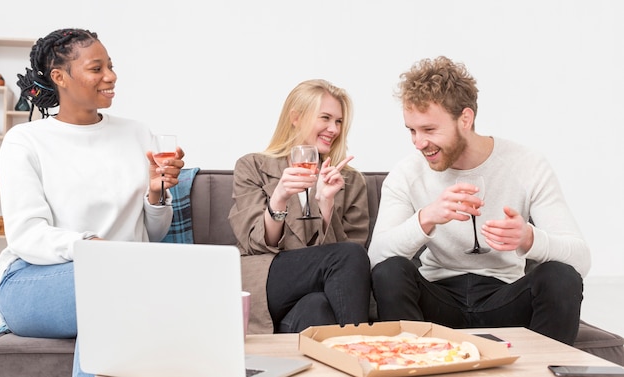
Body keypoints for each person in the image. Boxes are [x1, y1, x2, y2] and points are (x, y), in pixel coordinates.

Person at [0, 28, 185, 377]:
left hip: (122, 275)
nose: (110, 76)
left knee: (118, 292)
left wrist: (156, 193)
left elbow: (152, 234)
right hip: (36, 280)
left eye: (110, 66)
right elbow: (26, 235)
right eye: (96, 68)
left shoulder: (137, 133)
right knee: (112, 283)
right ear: (60, 77)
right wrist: (91, 248)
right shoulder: (25, 141)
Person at [368, 56, 589, 345]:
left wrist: (528, 238)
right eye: (412, 130)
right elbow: (376, 260)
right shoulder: (407, 174)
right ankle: (415, 364)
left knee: (561, 277)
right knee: (390, 272)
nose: (418, 143)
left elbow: (581, 260)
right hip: (436, 303)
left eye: (429, 130)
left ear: (465, 119)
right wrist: (427, 218)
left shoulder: (527, 164)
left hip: (506, 300)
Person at [229, 79, 371, 334]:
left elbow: (350, 273)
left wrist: (327, 205)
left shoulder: (351, 181)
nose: (333, 129)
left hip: (318, 293)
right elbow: (254, 244)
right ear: (296, 117)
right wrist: (279, 198)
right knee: (348, 255)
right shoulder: (252, 167)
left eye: (338, 121)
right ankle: (360, 353)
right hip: (267, 282)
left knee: (316, 307)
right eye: (325, 118)